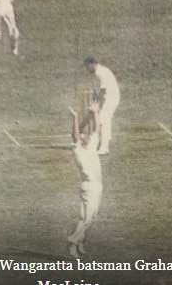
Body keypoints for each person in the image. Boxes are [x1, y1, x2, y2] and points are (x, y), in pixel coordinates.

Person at [67, 102, 103, 258]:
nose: (85, 136)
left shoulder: (91, 146)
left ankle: (79, 241)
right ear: (80, 141)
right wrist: (75, 118)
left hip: (97, 186)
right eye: (83, 136)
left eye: (85, 135)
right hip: (89, 187)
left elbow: (97, 129)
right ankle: (73, 241)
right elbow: (75, 136)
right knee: (88, 219)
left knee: (87, 217)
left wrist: (95, 113)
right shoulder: (79, 151)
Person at [84, 56, 120, 155]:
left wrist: (98, 104)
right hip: (109, 97)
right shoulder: (97, 72)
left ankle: (104, 148)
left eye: (87, 66)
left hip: (111, 98)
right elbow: (100, 91)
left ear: (93, 64)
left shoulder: (101, 72)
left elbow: (103, 91)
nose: (87, 69)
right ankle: (105, 140)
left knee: (104, 120)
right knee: (103, 120)